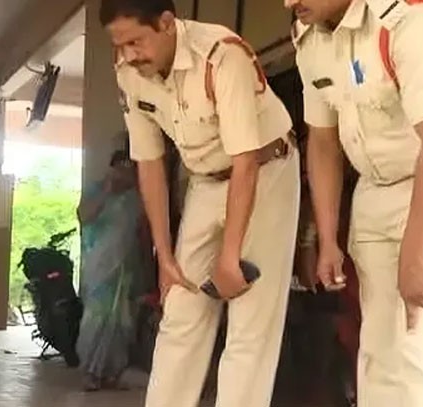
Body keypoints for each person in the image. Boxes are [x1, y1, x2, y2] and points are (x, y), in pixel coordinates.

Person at [288, 0, 423, 405]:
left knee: (416, 344)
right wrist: (326, 240)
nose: (288, 3)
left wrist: (414, 258)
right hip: (377, 186)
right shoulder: (309, 39)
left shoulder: (408, 20)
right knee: (377, 349)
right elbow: (323, 142)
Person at [100, 1, 301, 406]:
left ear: (166, 23)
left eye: (136, 42)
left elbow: (245, 162)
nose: (128, 55)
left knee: (250, 322)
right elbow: (149, 163)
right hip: (205, 181)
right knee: (180, 310)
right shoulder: (129, 72)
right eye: (119, 45)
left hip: (265, 171)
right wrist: (164, 256)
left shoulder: (222, 57)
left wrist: (229, 256)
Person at [75, 148, 152, 391]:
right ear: (111, 168)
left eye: (130, 169)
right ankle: (90, 371)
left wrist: (149, 272)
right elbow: (84, 216)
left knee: (122, 322)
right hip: (99, 270)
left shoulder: (137, 198)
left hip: (125, 270)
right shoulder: (95, 190)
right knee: (97, 319)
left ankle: (111, 372)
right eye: (121, 168)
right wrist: (107, 191)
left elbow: (143, 236)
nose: (125, 174)